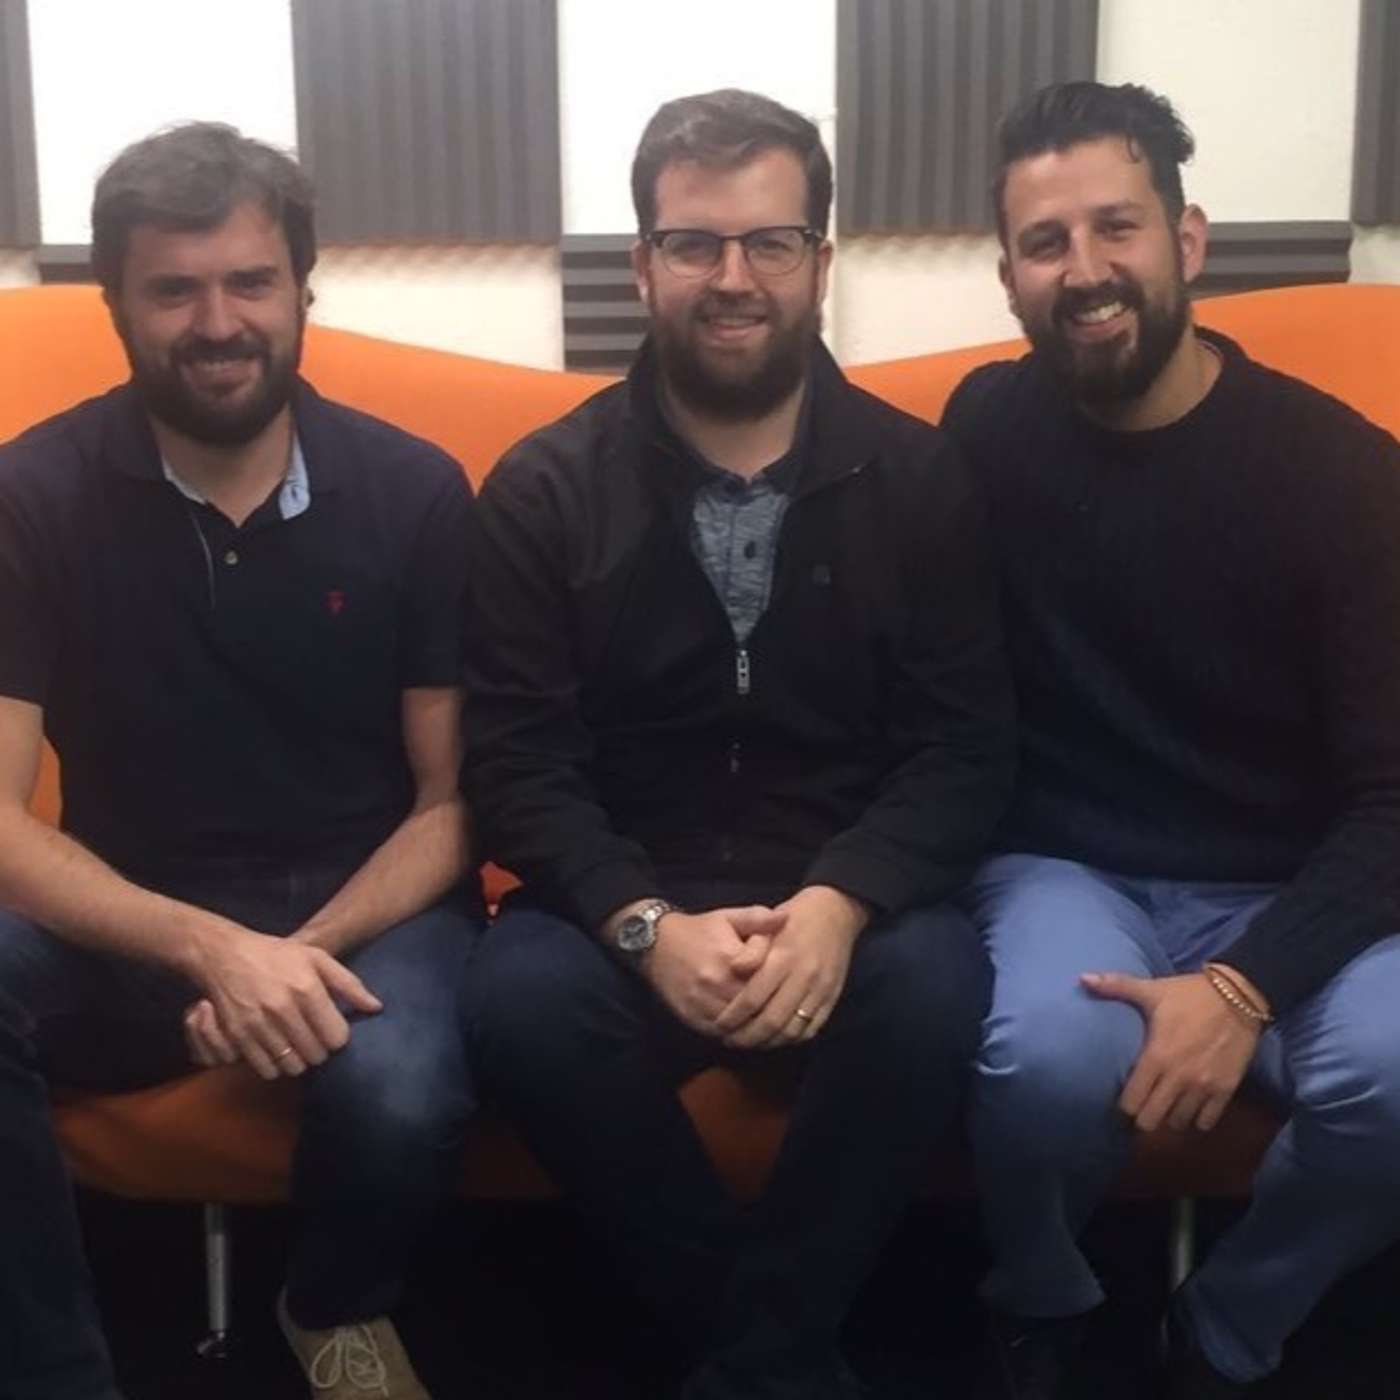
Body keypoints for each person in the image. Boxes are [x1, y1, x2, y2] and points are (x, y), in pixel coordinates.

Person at [460, 88, 1014, 1399]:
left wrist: (838, 903)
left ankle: (750, 1357)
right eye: (694, 243)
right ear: (642, 263)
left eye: (769, 242)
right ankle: (780, 1357)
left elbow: (965, 749)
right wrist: (645, 925)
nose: (732, 278)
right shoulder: (542, 488)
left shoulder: (920, 479)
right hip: (628, 899)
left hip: (845, 901)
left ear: (820, 260)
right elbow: (517, 762)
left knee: (937, 981)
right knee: (515, 1001)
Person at [0, 123, 480, 1400]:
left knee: (403, 1088)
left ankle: (331, 1305)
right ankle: (54, 1370)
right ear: (114, 305)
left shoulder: (417, 491)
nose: (218, 323)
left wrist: (291, 959)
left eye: (250, 281)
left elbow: (451, 802)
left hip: (369, 913)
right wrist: (212, 951)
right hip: (131, 918)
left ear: (302, 288)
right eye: (174, 289)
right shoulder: (29, 495)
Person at [942, 80, 1400, 1398]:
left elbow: (1393, 791)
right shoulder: (984, 430)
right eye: (1045, 242)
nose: (1085, 270)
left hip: (1301, 880)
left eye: (1117, 227)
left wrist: (1243, 985)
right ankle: (1042, 1295)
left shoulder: (1341, 472)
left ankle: (1227, 1327)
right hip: (1069, 866)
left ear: (1186, 240)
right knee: (1040, 1063)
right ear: (1009, 280)